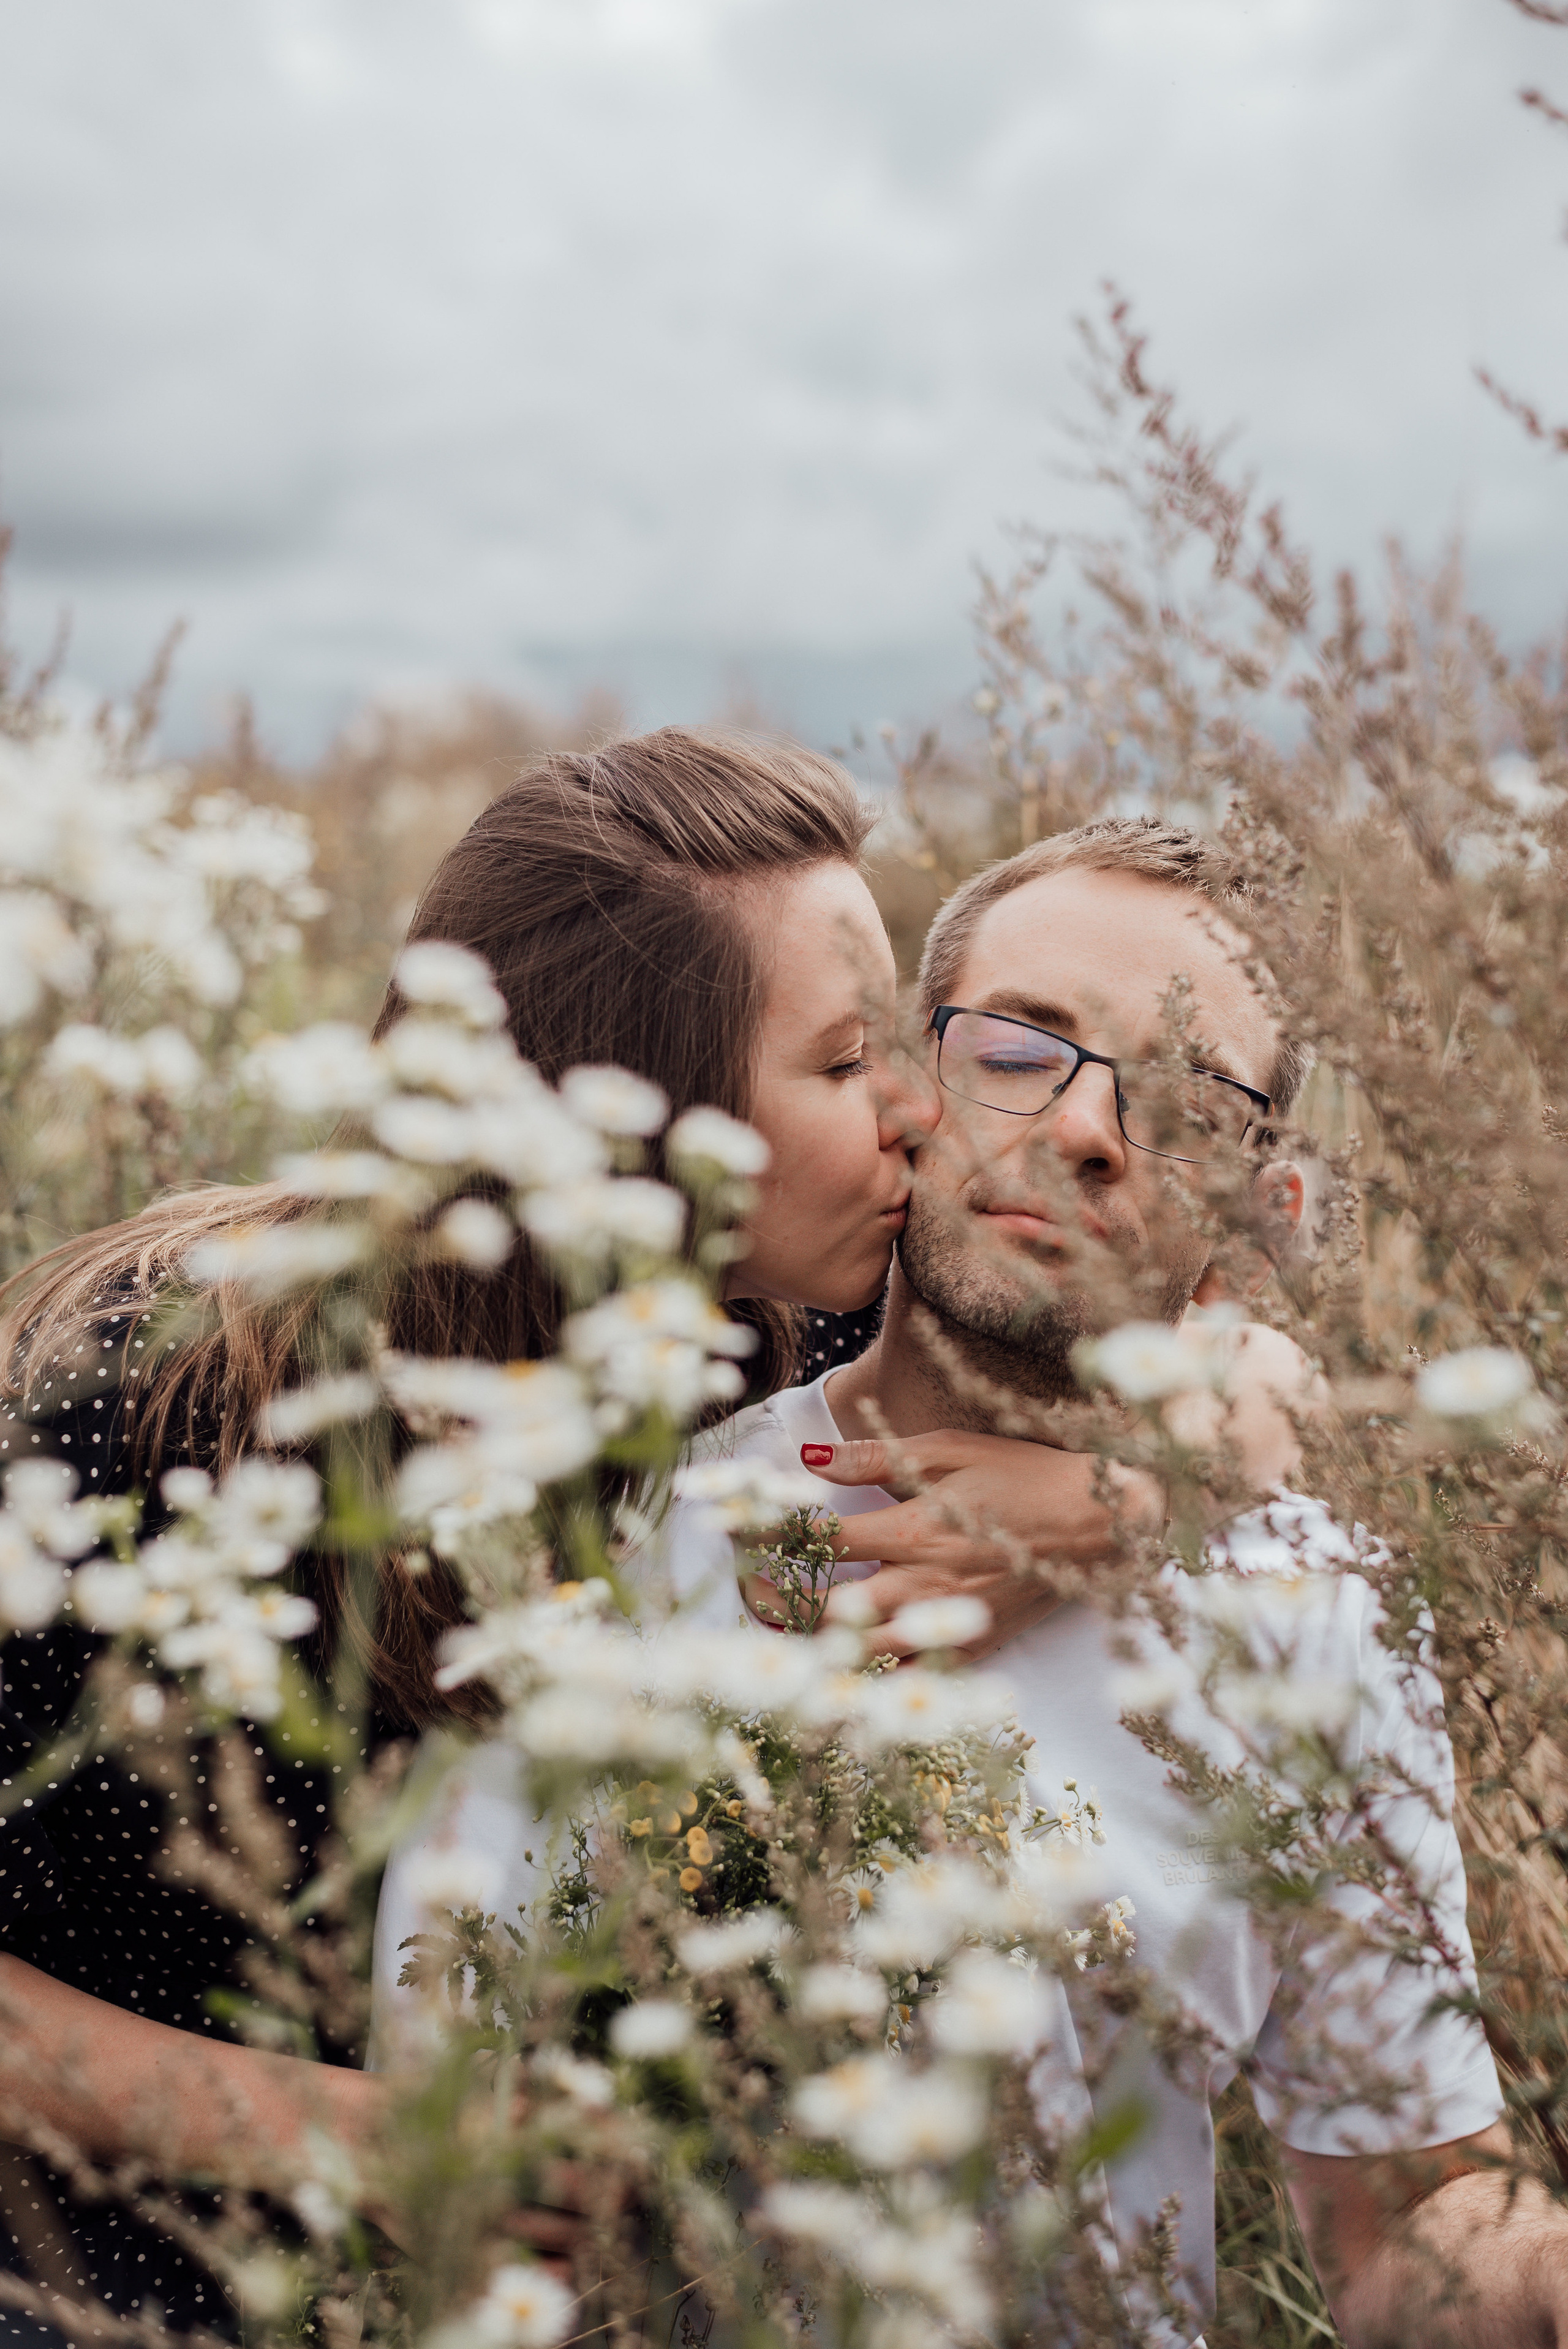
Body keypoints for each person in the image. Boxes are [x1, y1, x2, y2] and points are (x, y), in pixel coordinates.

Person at [1, 730, 1297, 2341]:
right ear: (635, 1126)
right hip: (103, 2230)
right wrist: (339, 2130)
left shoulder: (777, 1319)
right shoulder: (146, 1407)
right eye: (844, 1063)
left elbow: (1267, 1373)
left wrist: (1137, 1493)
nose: (913, 1110)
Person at [383, 815, 1556, 2345]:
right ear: (901, 1090)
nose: (1084, 1130)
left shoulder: (1320, 1620)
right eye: (1017, 1049)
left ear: (1252, 1212)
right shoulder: (616, 1528)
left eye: (1185, 1102)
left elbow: (1402, 2226)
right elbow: (443, 2114)